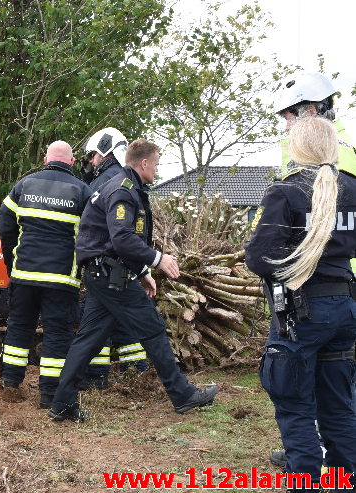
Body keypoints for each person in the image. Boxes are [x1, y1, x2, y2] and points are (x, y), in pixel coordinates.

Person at [49, 138, 219, 422]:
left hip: (105, 273)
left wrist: (142, 272)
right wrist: (157, 259)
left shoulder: (124, 186)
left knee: (88, 340)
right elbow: (122, 238)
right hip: (110, 276)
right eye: (156, 164)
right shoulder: (122, 190)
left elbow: (114, 239)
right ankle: (182, 395)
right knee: (153, 330)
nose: (157, 169)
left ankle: (62, 404)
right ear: (143, 163)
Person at [246, 117, 356, 492]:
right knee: (339, 407)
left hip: (300, 314)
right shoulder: (352, 189)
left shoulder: (286, 192)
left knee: (294, 406)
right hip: (344, 308)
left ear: (298, 148)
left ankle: (305, 483)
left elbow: (259, 258)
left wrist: (295, 270)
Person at [270, 71, 356, 470]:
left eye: (287, 115)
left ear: (307, 111)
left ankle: (307, 463)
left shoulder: (303, 159)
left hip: (308, 294)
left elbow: (268, 246)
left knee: (297, 393)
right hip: (346, 291)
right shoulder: (349, 148)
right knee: (339, 396)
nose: (285, 124)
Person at [0, 141, 93, 409]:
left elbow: (6, 225)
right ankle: (49, 393)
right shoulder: (83, 191)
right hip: (62, 278)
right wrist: (82, 266)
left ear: (45, 159)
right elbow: (93, 232)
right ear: (72, 162)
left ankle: (10, 381)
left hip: (24, 272)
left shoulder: (24, 185)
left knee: (19, 325)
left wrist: (11, 263)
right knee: (57, 332)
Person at [80, 128, 148, 389]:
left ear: (104, 152)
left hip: (105, 261)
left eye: (94, 156)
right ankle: (136, 369)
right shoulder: (126, 179)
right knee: (119, 315)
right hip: (123, 262)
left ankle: (95, 376)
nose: (92, 162)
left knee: (95, 318)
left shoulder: (106, 180)